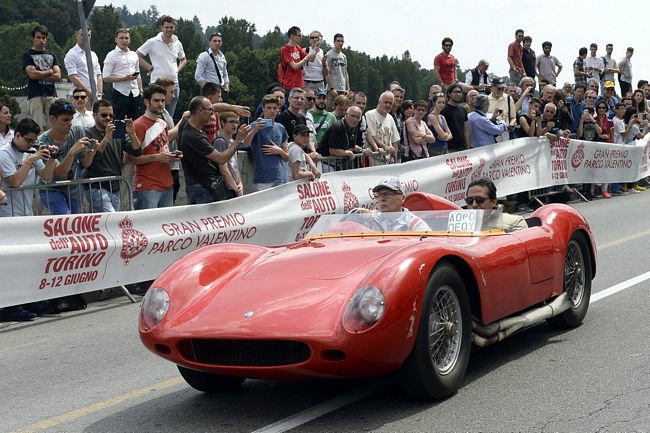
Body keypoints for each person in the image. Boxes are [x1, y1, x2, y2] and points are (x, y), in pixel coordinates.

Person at [178, 96, 244, 204]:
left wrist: (233, 108)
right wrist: (238, 140)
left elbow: (214, 106)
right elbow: (221, 159)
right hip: (201, 187)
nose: (213, 113)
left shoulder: (186, 121)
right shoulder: (194, 137)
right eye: (210, 110)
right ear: (200, 111)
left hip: (200, 185)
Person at [81, 99, 142, 212]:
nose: (108, 118)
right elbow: (92, 159)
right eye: (104, 115)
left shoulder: (118, 132)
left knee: (110, 224)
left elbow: (137, 151)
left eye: (111, 115)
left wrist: (132, 133)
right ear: (95, 116)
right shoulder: (88, 133)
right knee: (111, 219)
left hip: (115, 187)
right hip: (96, 187)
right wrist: (106, 138)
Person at [124, 85, 178, 209]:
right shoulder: (138, 125)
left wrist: (172, 156)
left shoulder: (163, 123)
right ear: (147, 102)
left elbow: (161, 151)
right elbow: (128, 159)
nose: (160, 104)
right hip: (147, 186)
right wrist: (157, 157)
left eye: (163, 101)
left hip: (167, 183)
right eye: (156, 100)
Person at [36, 99, 91, 215]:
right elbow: (59, 172)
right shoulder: (42, 142)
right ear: (52, 119)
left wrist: (93, 151)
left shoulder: (77, 131)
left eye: (71, 119)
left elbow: (85, 163)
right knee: (65, 221)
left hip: (74, 189)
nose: (70, 123)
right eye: (65, 120)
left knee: (76, 225)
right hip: (52, 189)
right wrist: (71, 152)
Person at [137, 16, 187, 117]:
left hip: (174, 83)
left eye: (171, 27)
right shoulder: (152, 42)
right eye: (167, 27)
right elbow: (137, 55)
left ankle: (167, 132)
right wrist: (149, 67)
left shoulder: (178, 43)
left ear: (174, 28)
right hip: (157, 83)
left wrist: (177, 70)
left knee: (169, 116)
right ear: (162, 28)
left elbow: (184, 59)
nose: (169, 29)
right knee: (154, 115)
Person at [242, 94, 289, 192]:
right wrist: (254, 130)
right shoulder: (255, 125)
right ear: (263, 108)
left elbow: (287, 157)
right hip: (262, 178)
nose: (272, 111)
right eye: (269, 108)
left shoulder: (281, 128)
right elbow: (245, 144)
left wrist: (279, 151)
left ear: (278, 109)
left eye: (274, 108)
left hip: (280, 176)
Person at [351, 176, 430, 231]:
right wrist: (356, 213)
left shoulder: (414, 224)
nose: (382, 199)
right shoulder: (370, 218)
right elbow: (345, 225)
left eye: (387, 194)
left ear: (402, 198)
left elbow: (427, 245)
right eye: (378, 195)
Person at [22, 25, 61, 129]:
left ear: (46, 39)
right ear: (33, 38)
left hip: (51, 94)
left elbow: (58, 76)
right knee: (35, 126)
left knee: (53, 126)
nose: (41, 40)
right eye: (38, 37)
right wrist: (49, 71)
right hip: (35, 94)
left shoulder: (52, 54)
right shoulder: (27, 55)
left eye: (43, 38)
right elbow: (32, 75)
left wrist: (39, 74)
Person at [102, 28, 143, 122]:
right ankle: (118, 137)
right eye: (121, 38)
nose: (124, 41)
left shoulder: (134, 55)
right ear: (116, 39)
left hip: (135, 93)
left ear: (129, 39)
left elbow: (138, 74)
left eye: (126, 38)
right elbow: (105, 77)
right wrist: (123, 78)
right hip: (120, 92)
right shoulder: (111, 55)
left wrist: (141, 90)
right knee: (118, 121)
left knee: (135, 121)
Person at [213, 111, 247, 198]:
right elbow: (224, 170)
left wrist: (240, 183)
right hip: (226, 189)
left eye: (237, 122)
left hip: (235, 187)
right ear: (223, 123)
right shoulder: (220, 142)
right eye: (231, 122)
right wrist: (236, 188)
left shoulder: (233, 142)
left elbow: (235, 166)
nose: (235, 125)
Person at [64, 27, 103, 101]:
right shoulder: (71, 54)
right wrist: (89, 93)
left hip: (95, 98)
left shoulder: (93, 55)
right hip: (79, 97)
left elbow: (98, 75)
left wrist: (99, 94)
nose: (86, 37)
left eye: (88, 35)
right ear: (76, 36)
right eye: (82, 35)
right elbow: (73, 77)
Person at [365, 91, 399, 161]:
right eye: (386, 102)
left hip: (387, 160)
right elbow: (372, 136)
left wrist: (394, 157)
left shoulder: (390, 118)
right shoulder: (369, 114)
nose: (388, 105)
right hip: (373, 159)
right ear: (379, 102)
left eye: (390, 103)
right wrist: (385, 147)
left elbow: (394, 140)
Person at [280, 26, 316, 91]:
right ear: (292, 36)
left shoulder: (297, 47)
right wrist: (306, 58)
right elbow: (294, 66)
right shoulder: (285, 49)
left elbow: (311, 59)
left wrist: (316, 46)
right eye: (299, 35)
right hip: (290, 85)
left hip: (300, 84)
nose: (300, 37)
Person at [195, 32, 230, 97]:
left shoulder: (222, 57)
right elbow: (198, 76)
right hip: (210, 91)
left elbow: (225, 74)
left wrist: (226, 87)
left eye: (219, 41)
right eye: (214, 41)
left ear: (222, 43)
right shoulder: (204, 56)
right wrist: (207, 90)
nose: (217, 43)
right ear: (210, 42)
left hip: (221, 90)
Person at [325, 33, 350, 110]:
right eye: (338, 41)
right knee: (330, 109)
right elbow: (327, 72)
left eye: (342, 41)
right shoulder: (329, 55)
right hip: (332, 89)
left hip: (342, 89)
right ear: (334, 42)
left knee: (342, 110)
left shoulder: (343, 56)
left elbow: (345, 73)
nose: (340, 43)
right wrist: (331, 88)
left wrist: (348, 88)